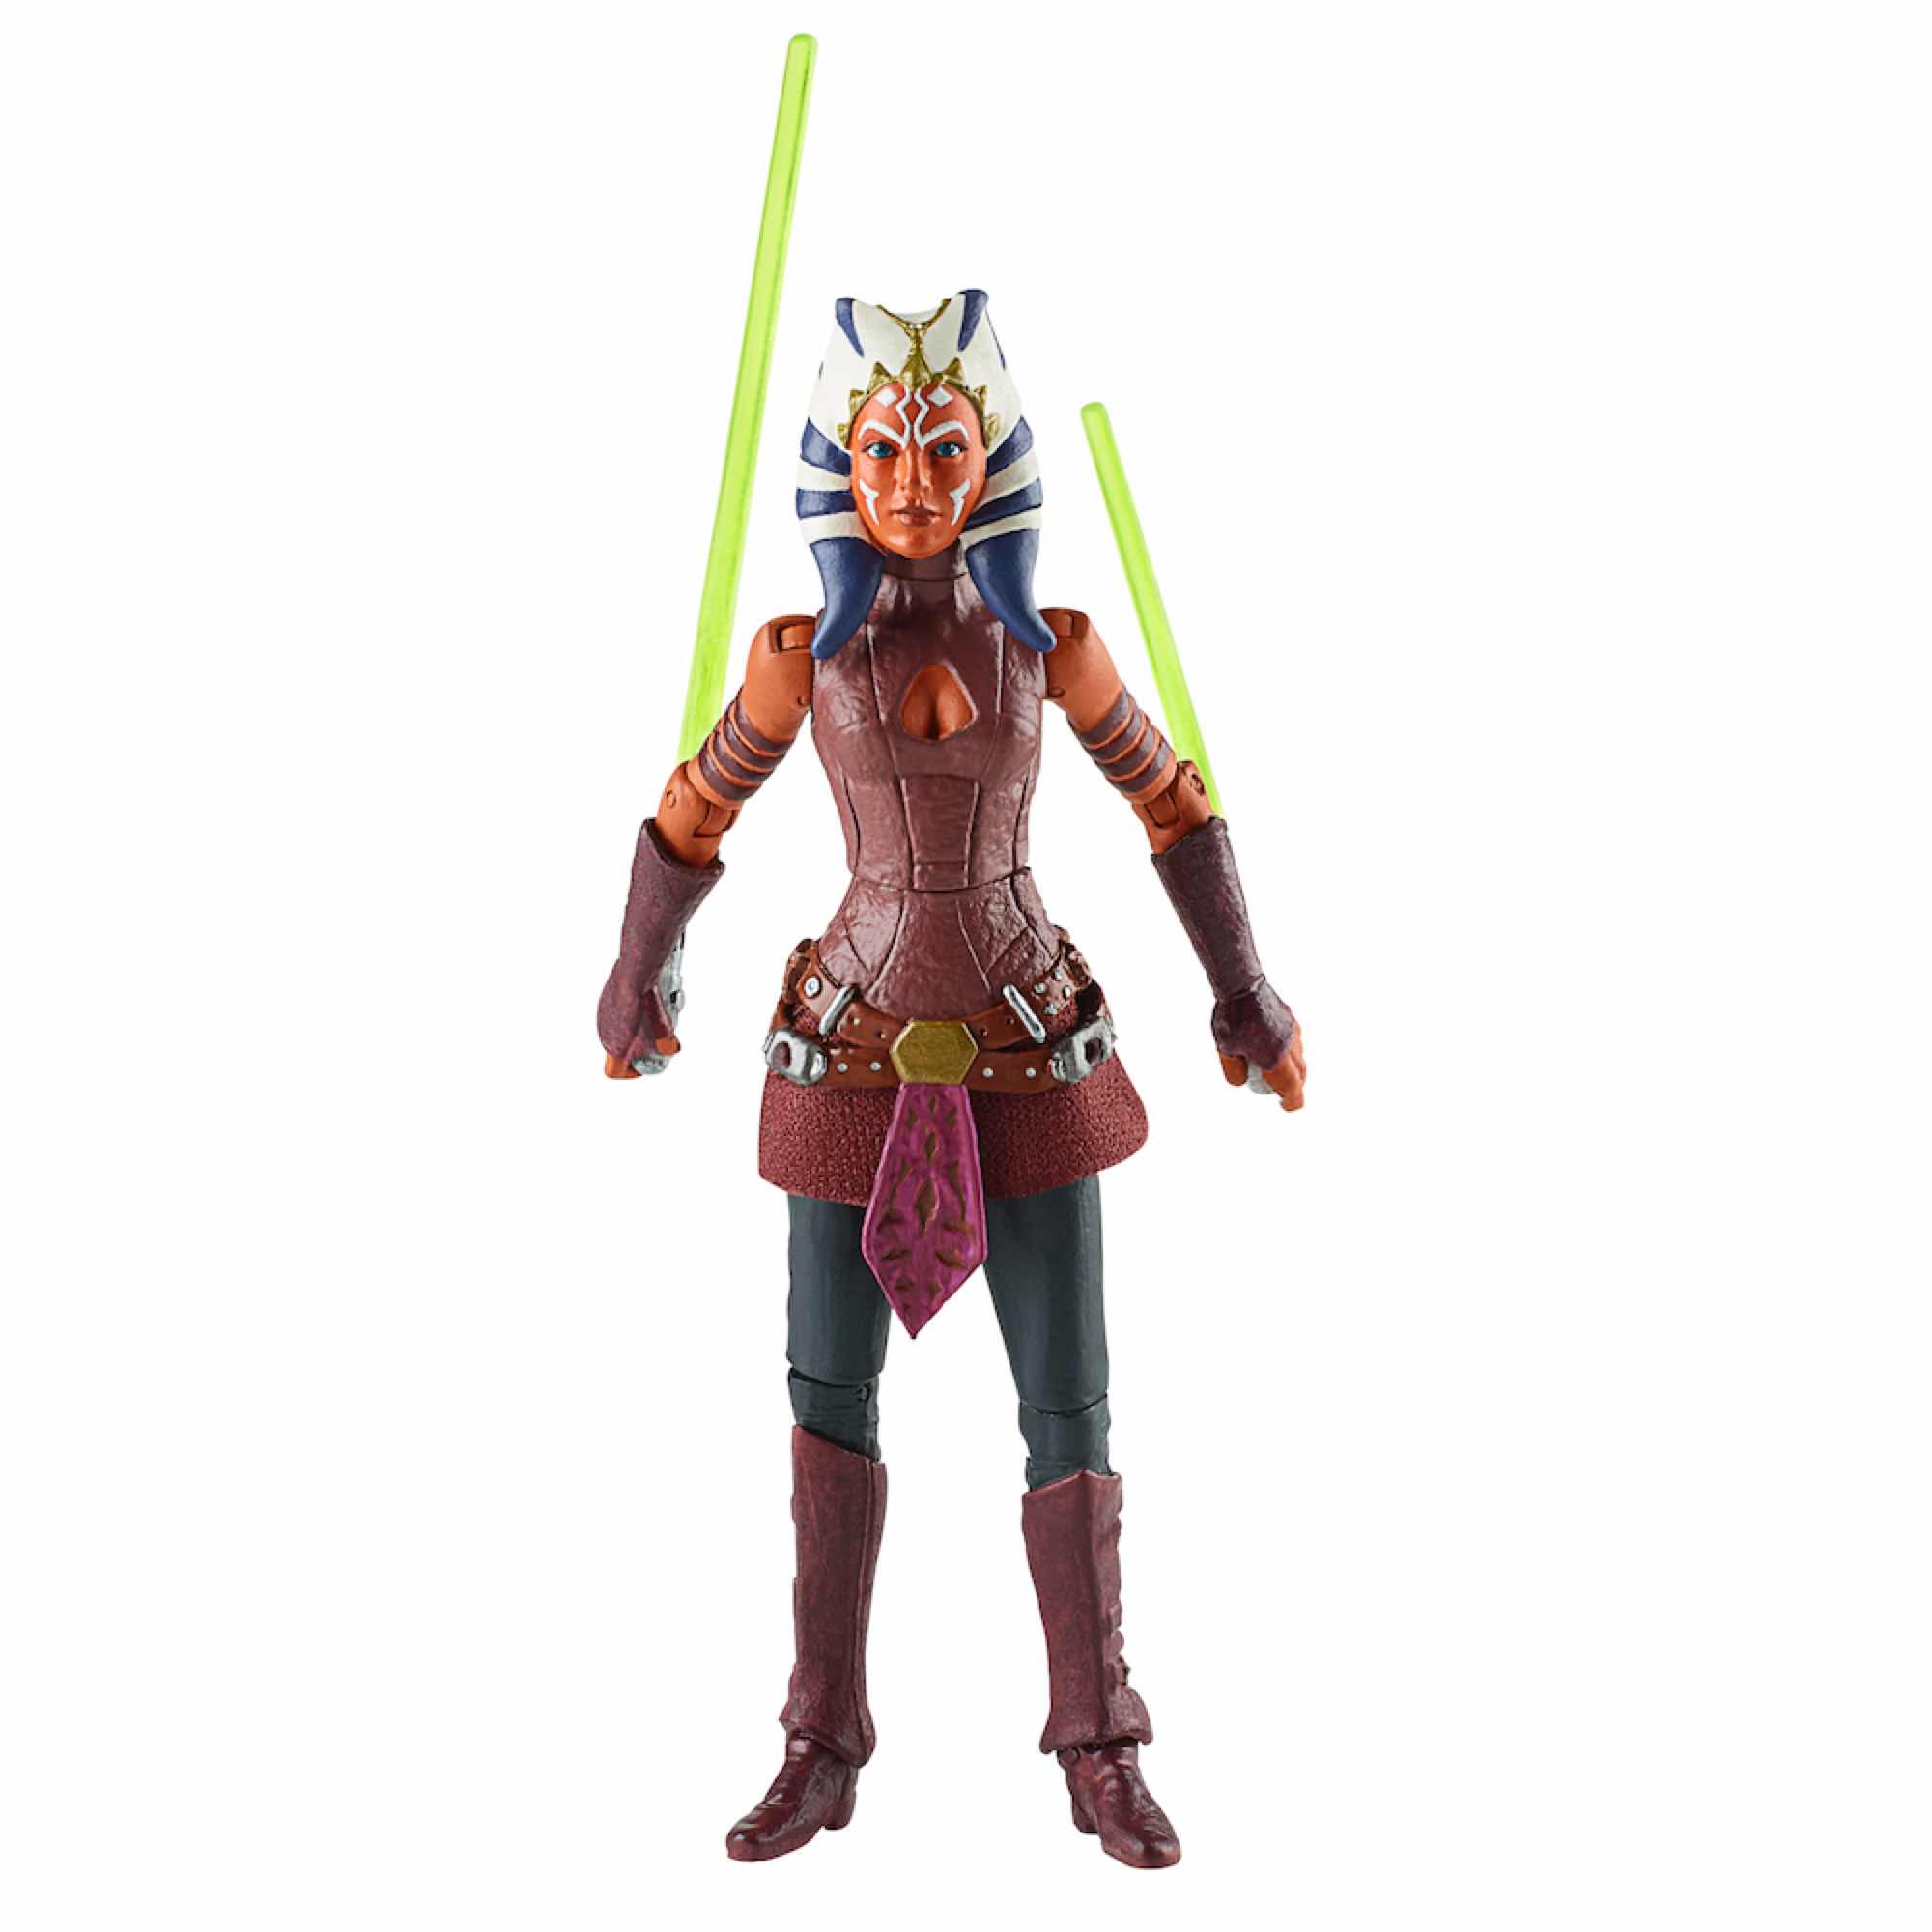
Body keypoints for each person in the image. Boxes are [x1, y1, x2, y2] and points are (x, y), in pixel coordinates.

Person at [599, 292, 1303, 1868]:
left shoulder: (1054, 648)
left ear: (993, 463)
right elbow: (695, 809)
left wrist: (1245, 989)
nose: (913, 480)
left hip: (1031, 1042)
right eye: (882, 450)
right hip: (848, 1047)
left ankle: (1099, 1740)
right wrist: (638, 963)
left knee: (1069, 1401)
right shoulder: (801, 658)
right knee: (824, 1399)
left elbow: (1173, 807)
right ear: (838, 467)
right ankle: (821, 1739)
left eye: (943, 448)